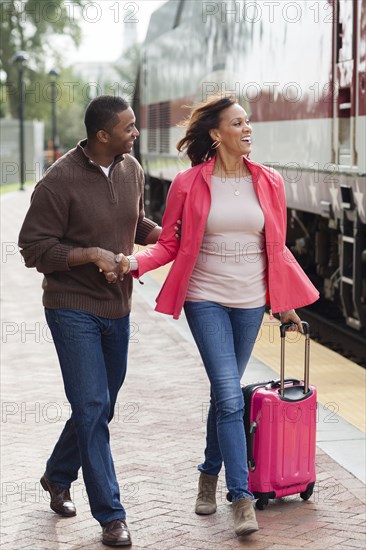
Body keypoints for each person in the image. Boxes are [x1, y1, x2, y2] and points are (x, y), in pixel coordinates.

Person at [118, 95, 319, 537]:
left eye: (248, 123)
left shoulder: (269, 181)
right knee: (230, 395)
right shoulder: (188, 183)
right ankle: (241, 496)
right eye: (238, 123)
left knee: (223, 394)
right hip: (204, 298)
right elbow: (170, 244)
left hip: (249, 302)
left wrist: (284, 304)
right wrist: (133, 263)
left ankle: (208, 471)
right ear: (216, 133)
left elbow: (276, 248)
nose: (247, 129)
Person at [18, 96, 163, 547]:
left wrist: (173, 237)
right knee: (93, 407)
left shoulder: (131, 169)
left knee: (100, 406)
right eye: (129, 126)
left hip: (117, 308)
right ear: (102, 135)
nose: (136, 132)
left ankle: (57, 475)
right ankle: (111, 517)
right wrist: (90, 255)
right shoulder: (58, 180)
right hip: (71, 306)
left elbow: (135, 223)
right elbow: (34, 249)